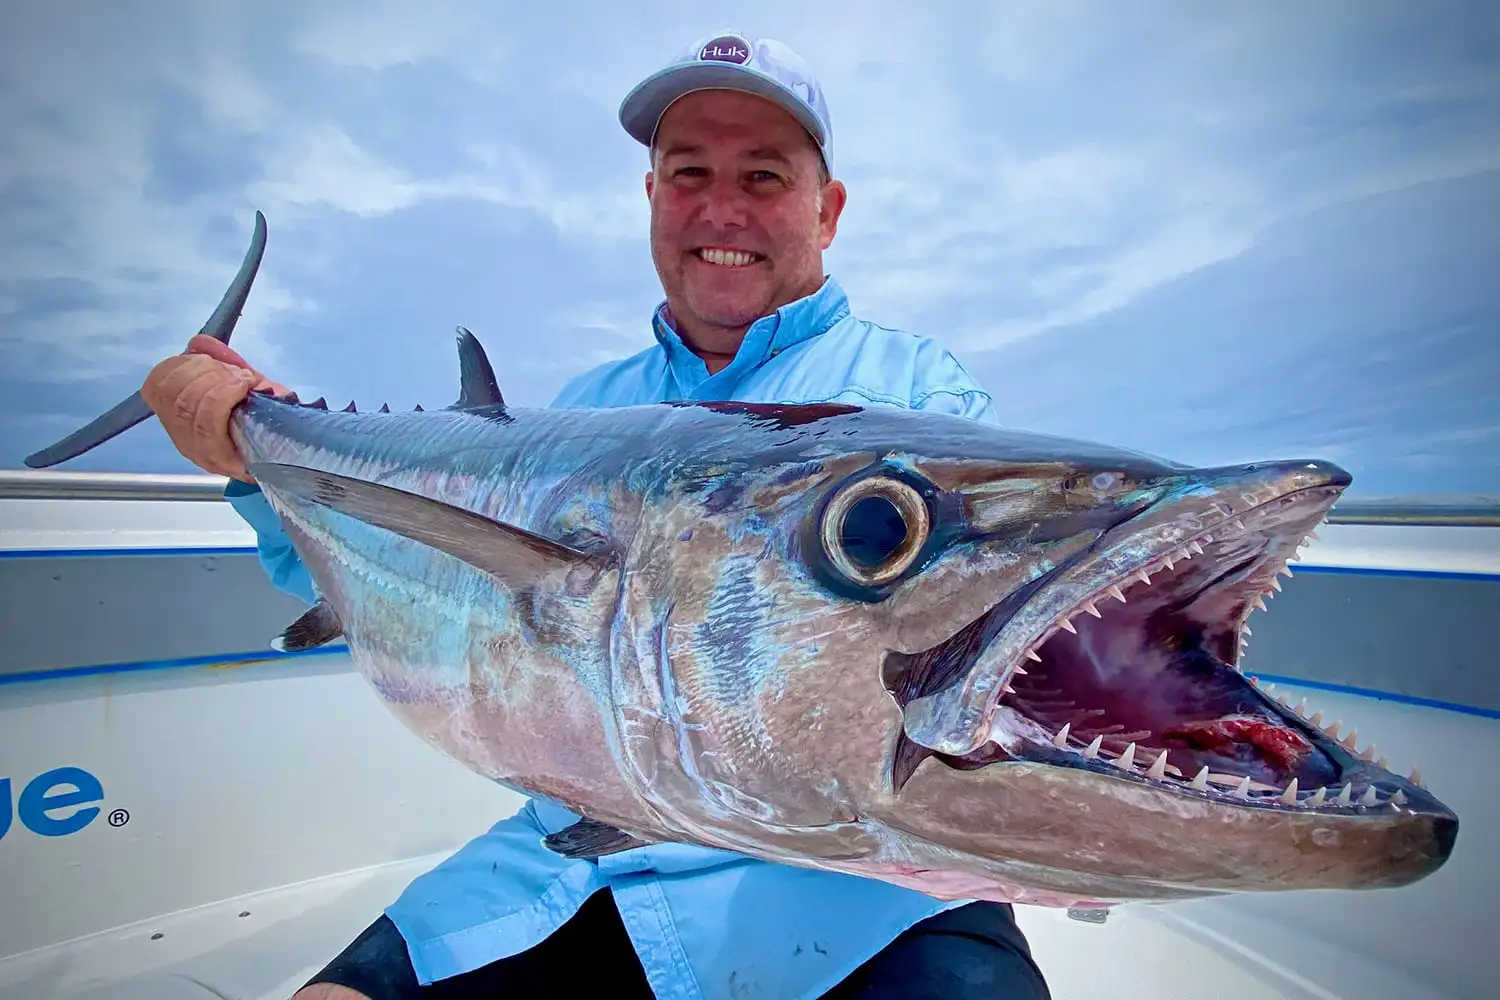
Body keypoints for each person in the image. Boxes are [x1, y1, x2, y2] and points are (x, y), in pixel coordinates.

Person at [141, 30, 1053, 1000]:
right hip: (583, 860)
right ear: (651, 198)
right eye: (689, 172)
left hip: (864, 891)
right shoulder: (584, 409)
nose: (721, 207)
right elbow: (404, 584)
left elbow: (972, 638)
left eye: (764, 176)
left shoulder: (914, 396)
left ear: (827, 211)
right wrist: (246, 456)